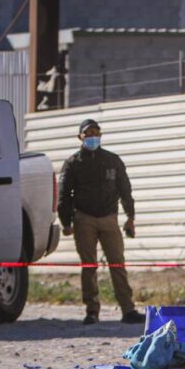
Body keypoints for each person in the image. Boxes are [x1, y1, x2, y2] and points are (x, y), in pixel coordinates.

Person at [58, 119, 146, 326]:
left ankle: (128, 309)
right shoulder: (73, 163)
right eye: (88, 133)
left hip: (109, 218)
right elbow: (64, 195)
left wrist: (130, 217)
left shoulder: (112, 160)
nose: (92, 137)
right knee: (89, 266)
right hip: (84, 219)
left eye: (96, 132)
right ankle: (92, 311)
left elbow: (125, 190)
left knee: (117, 263)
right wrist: (66, 222)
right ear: (80, 137)